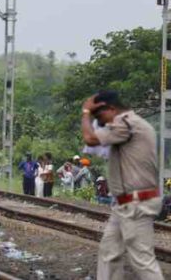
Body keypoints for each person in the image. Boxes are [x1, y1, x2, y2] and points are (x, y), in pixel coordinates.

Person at [81, 90, 164, 279]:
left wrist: (86, 112)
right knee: (109, 252)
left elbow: (90, 139)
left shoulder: (126, 122)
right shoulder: (132, 123)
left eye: (99, 115)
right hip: (125, 204)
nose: (99, 122)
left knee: (142, 260)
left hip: (136, 204)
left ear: (111, 108)